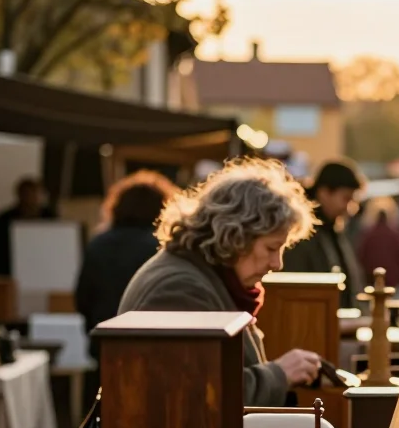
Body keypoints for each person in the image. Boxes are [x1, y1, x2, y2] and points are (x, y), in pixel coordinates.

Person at [119, 158, 323, 407]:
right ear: (235, 236)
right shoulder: (179, 287)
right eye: (271, 248)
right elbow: (199, 394)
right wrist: (279, 374)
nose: (277, 263)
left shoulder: (209, 279)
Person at [75, 171, 178, 364]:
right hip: (153, 345)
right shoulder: (162, 247)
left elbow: (83, 297)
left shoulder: (98, 244)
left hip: (105, 341)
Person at [282, 159, 365, 308]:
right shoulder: (302, 234)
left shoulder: (332, 230)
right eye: (345, 199)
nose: (349, 208)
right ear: (324, 193)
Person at [0, 177, 55, 276]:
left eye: (36, 194)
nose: (31, 198)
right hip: (9, 273)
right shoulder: (4, 220)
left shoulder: (50, 218)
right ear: (19, 195)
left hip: (45, 272)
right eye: (27, 194)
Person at [356, 197, 399, 289]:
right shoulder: (396, 234)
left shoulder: (368, 233)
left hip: (371, 276)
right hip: (392, 275)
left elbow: (361, 255)